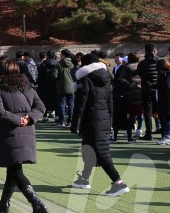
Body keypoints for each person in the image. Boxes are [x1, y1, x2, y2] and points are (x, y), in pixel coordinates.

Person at [0, 60, 49, 213]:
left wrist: (18, 120)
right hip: (27, 129)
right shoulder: (26, 85)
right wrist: (28, 118)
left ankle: (36, 204)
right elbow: (41, 107)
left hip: (9, 131)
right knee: (13, 168)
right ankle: (4, 204)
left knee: (15, 170)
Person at [70, 53, 129, 196]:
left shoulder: (85, 80)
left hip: (91, 120)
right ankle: (84, 178)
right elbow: (110, 102)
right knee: (89, 148)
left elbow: (80, 104)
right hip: (103, 120)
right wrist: (110, 121)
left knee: (101, 153)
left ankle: (118, 182)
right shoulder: (106, 78)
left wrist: (74, 123)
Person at [55, 49, 76, 129]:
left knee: (62, 104)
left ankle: (61, 121)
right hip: (72, 87)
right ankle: (70, 121)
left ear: (63, 55)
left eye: (61, 54)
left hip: (62, 87)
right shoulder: (73, 63)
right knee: (71, 105)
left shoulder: (59, 63)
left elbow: (55, 75)